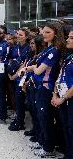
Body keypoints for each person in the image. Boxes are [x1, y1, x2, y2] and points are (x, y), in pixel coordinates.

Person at [23, 22, 65, 158]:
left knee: (45, 117)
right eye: (44, 32)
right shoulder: (48, 49)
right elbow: (36, 66)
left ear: (56, 34)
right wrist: (31, 68)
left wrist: (32, 68)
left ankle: (49, 148)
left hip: (46, 88)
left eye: (48, 32)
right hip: (38, 86)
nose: (44, 34)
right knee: (40, 116)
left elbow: (39, 69)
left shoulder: (54, 51)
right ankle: (42, 141)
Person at [51, 26, 73, 159]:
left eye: (71, 38)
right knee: (65, 127)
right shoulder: (68, 56)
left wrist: (62, 98)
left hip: (69, 98)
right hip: (62, 96)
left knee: (71, 128)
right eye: (68, 37)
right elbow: (60, 76)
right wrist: (55, 94)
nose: (68, 39)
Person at [8, 28, 30, 131]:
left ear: (26, 37)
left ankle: (20, 122)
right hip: (13, 76)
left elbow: (25, 63)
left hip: (22, 78)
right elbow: (11, 60)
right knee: (17, 99)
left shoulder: (28, 48)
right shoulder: (15, 47)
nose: (18, 36)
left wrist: (15, 75)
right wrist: (9, 72)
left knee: (20, 100)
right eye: (17, 34)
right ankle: (18, 118)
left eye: (21, 35)